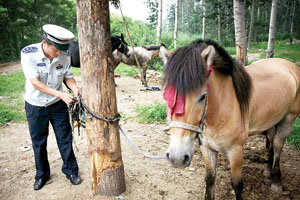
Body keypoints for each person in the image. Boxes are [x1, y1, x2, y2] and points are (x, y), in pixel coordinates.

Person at [21, 24, 81, 190]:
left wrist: (74, 88)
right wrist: (61, 94)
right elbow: (35, 82)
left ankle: (70, 170)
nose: (59, 54)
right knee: (39, 142)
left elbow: (68, 77)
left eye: (61, 50)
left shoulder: (64, 55)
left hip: (57, 105)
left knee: (65, 138)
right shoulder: (29, 54)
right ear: (45, 43)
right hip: (36, 105)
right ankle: (42, 175)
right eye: (56, 50)